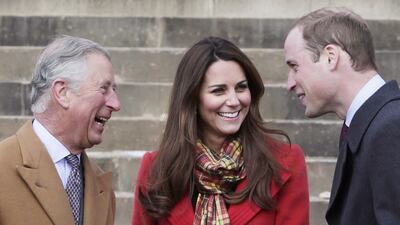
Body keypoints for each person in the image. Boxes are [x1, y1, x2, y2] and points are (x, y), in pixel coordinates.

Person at [132, 36, 309, 225]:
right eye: (218, 91)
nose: (234, 101)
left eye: (241, 87)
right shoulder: (157, 169)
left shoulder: (286, 161)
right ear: (192, 99)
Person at [284, 7, 400, 225]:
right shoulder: (370, 124)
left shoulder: (391, 126)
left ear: (330, 57)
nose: (289, 83)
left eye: (295, 66)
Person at [0, 35, 120, 225]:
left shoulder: (102, 188)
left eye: (114, 90)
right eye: (104, 89)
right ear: (63, 93)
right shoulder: (3, 165)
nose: (116, 104)